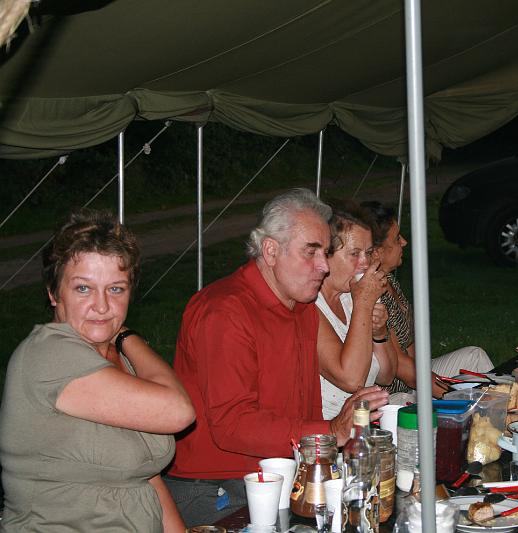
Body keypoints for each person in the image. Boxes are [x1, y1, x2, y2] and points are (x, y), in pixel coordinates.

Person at [165, 189, 388, 526]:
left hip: (282, 471)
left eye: (326, 252)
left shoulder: (302, 308)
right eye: (310, 252)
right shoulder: (225, 311)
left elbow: (304, 405)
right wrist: (329, 431)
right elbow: (232, 425)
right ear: (270, 250)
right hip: (215, 485)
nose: (323, 266)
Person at [0, 209, 195, 532]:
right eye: (83, 288)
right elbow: (178, 411)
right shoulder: (48, 355)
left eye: (116, 289)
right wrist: (128, 336)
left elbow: (146, 476)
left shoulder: (114, 359)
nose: (102, 306)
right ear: (53, 292)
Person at [361, 201, 493, 400]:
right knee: (464, 400)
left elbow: (412, 348)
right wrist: (451, 395)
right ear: (377, 251)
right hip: (392, 394)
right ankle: (483, 408)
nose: (404, 242)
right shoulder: (373, 293)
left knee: (475, 356)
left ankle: (501, 405)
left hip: (414, 377)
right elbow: (402, 368)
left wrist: (436, 380)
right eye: (397, 239)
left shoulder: (389, 281)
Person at [317, 204, 398, 419]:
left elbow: (387, 376)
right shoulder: (309, 305)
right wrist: (363, 303)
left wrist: (379, 335)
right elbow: (352, 380)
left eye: (368, 253)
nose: (365, 263)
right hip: (327, 428)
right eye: (354, 253)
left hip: (364, 420)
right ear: (326, 255)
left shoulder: (353, 295)